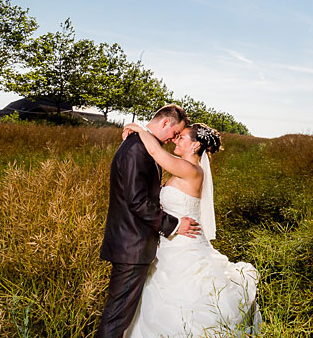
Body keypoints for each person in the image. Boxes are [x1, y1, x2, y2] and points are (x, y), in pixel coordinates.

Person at [122, 121, 261, 337]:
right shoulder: (181, 168)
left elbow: (154, 150)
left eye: (182, 137)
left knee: (185, 299)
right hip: (171, 242)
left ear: (195, 146)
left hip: (184, 244)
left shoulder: (190, 169)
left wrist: (141, 129)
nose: (176, 140)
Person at [96, 104, 201, 338]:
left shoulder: (142, 145)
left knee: (121, 316)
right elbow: (137, 202)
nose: (174, 139)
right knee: (116, 317)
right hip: (132, 246)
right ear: (165, 123)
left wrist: (138, 129)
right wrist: (173, 225)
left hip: (134, 244)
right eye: (175, 133)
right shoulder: (136, 149)